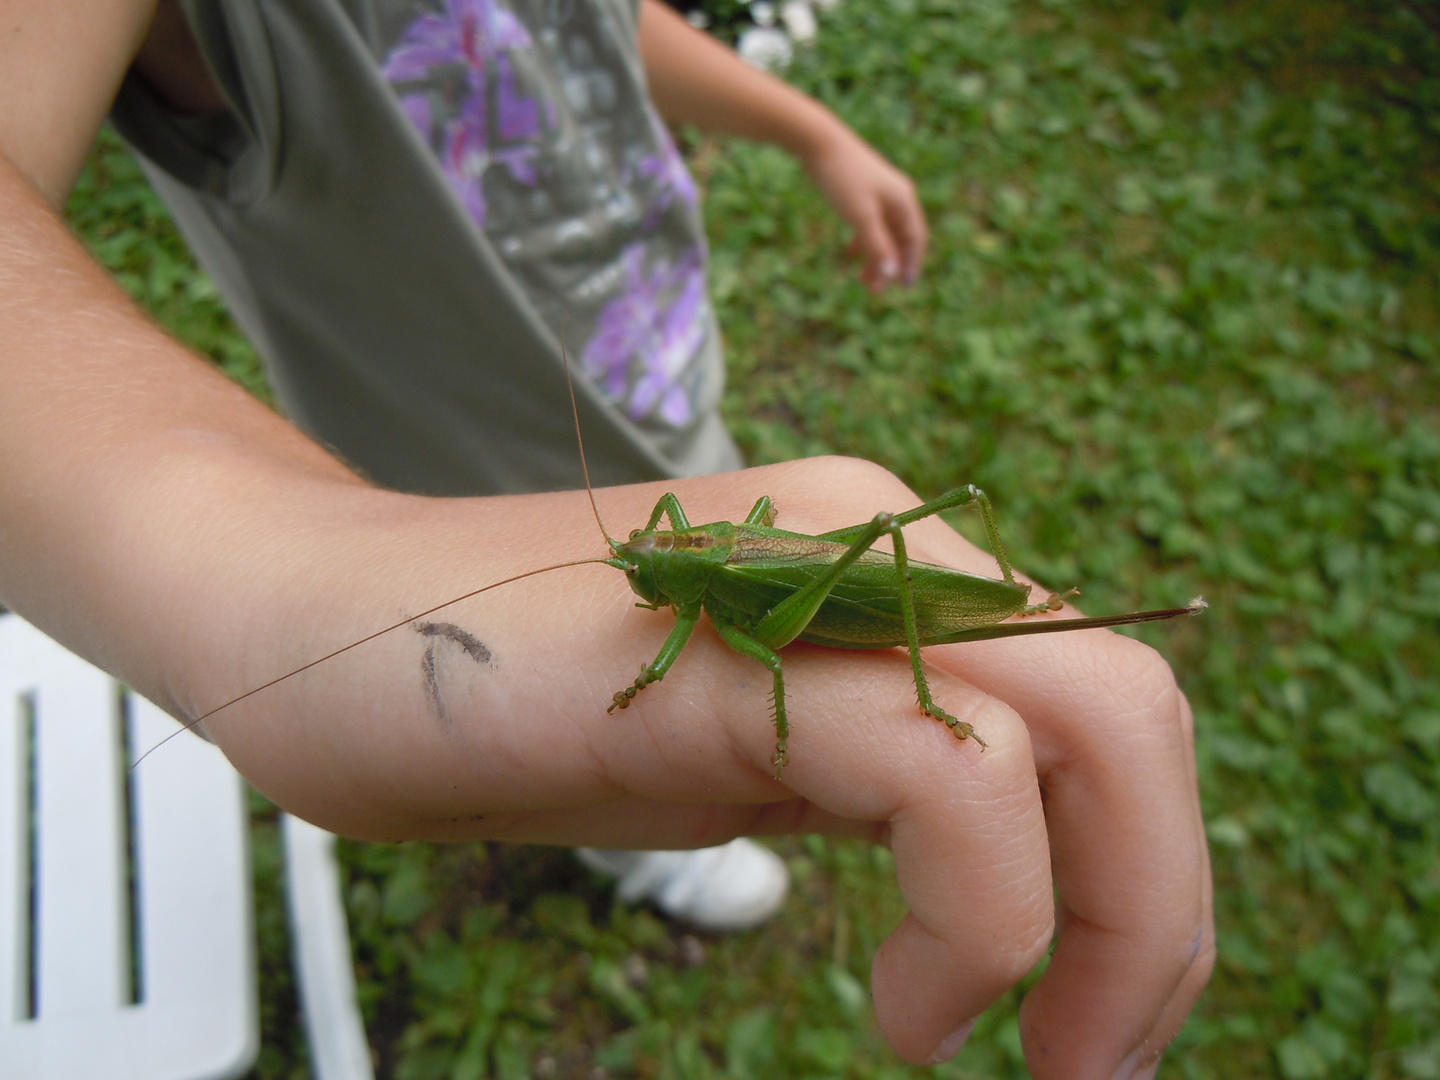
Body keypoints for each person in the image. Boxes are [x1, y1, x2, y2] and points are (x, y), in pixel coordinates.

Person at [0, 0, 1214, 1072]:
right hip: (614, 481)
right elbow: (679, 544)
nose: (637, 572)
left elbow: (745, 640)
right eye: (641, 566)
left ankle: (887, 716)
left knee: (799, 635)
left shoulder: (698, 597)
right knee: (725, 639)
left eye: (641, 567)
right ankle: (655, 848)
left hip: (764, 500)